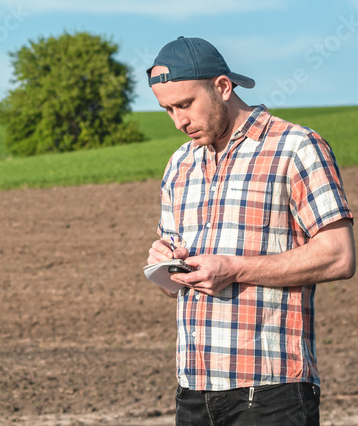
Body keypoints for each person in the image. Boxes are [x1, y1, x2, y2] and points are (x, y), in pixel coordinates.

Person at [144, 36, 355, 426]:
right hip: (193, 390)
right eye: (167, 109)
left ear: (223, 87)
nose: (178, 121)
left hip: (272, 391)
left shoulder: (296, 147)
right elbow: (174, 283)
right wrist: (163, 267)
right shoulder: (180, 164)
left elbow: (339, 254)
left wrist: (235, 269)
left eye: (186, 104)